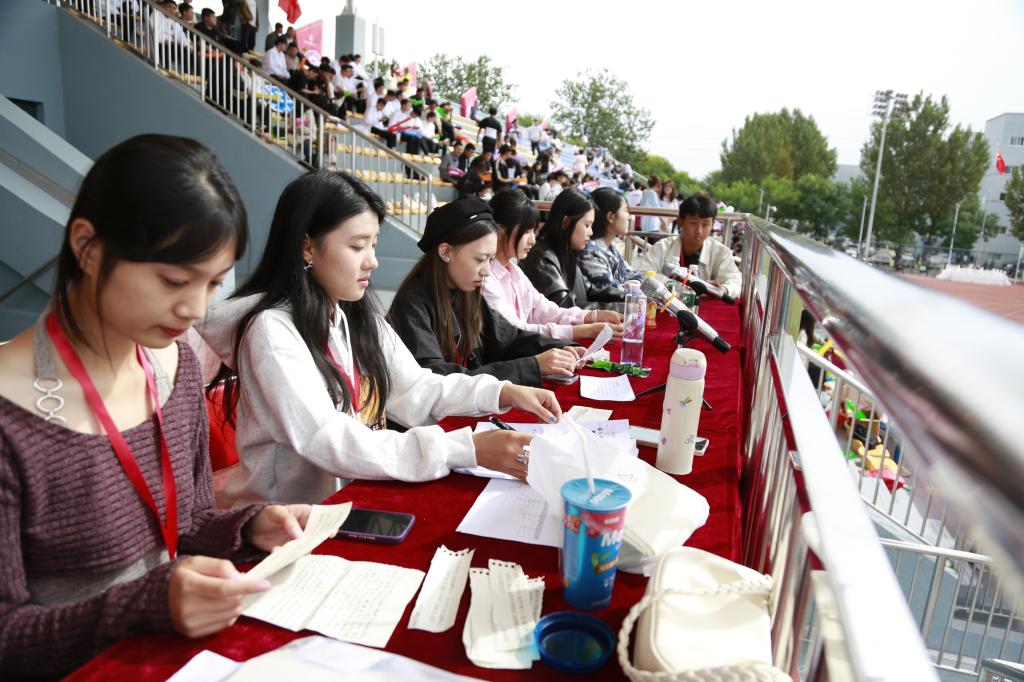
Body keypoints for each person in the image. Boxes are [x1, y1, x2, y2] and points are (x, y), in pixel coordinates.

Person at [0, 135, 311, 678]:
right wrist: (144, 603)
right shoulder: (11, 416)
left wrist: (246, 527)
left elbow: (184, 522)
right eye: (174, 281)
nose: (194, 309)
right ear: (87, 246)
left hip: (169, 655)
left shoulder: (174, 367)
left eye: (213, 285)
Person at [196, 172, 558, 506]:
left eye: (373, 245)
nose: (373, 261)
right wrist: (464, 448)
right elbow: (328, 439)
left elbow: (415, 387)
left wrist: (501, 392)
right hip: (287, 523)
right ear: (307, 246)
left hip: (351, 500)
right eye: (357, 246)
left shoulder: (355, 316)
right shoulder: (272, 331)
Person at [389, 198, 584, 387]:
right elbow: (438, 380)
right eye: (480, 259)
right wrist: (532, 366)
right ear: (446, 252)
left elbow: (510, 337)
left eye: (490, 260)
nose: (487, 271)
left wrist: (558, 348)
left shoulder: (467, 293)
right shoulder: (412, 306)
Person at [482, 190, 622, 343]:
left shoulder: (514, 271)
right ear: (500, 231)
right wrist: (587, 329)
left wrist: (593, 316)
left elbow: (547, 310)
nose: (532, 240)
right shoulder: (486, 277)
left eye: (533, 231)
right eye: (526, 232)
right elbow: (515, 330)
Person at [635, 192, 743, 297]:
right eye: (693, 223)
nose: (699, 231)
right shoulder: (662, 247)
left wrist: (724, 289)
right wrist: (674, 284)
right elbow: (642, 274)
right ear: (680, 222)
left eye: (705, 224)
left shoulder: (721, 252)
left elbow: (735, 282)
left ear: (713, 224)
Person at [520, 189, 612, 310]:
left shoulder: (565, 251)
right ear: (566, 222)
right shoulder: (541, 258)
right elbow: (565, 306)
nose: (591, 232)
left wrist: (629, 297)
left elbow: (589, 290)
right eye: (587, 225)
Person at [579, 187, 638, 301]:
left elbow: (634, 275)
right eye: (626, 211)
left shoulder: (609, 248)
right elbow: (611, 291)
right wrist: (630, 286)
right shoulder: (590, 252)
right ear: (611, 216)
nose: (629, 217)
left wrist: (630, 285)